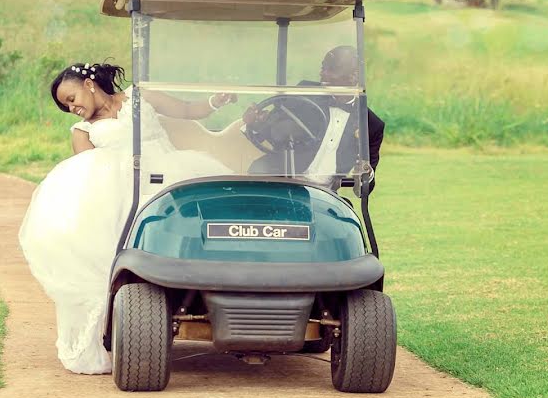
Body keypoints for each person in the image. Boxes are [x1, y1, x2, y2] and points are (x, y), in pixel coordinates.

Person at [19, 61, 235, 375]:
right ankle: (122, 316)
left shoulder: (140, 96)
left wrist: (216, 101)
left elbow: (188, 110)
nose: (73, 108)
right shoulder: (83, 131)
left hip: (168, 172)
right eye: (66, 106)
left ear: (89, 84)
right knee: (107, 230)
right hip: (120, 187)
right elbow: (87, 173)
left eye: (72, 98)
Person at [245, 46, 385, 190]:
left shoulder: (371, 125)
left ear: (354, 76)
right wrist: (256, 124)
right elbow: (272, 129)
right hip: (283, 182)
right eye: (323, 67)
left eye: (331, 69)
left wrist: (365, 174)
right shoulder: (306, 93)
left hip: (325, 195)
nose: (322, 73)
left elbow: (365, 189)